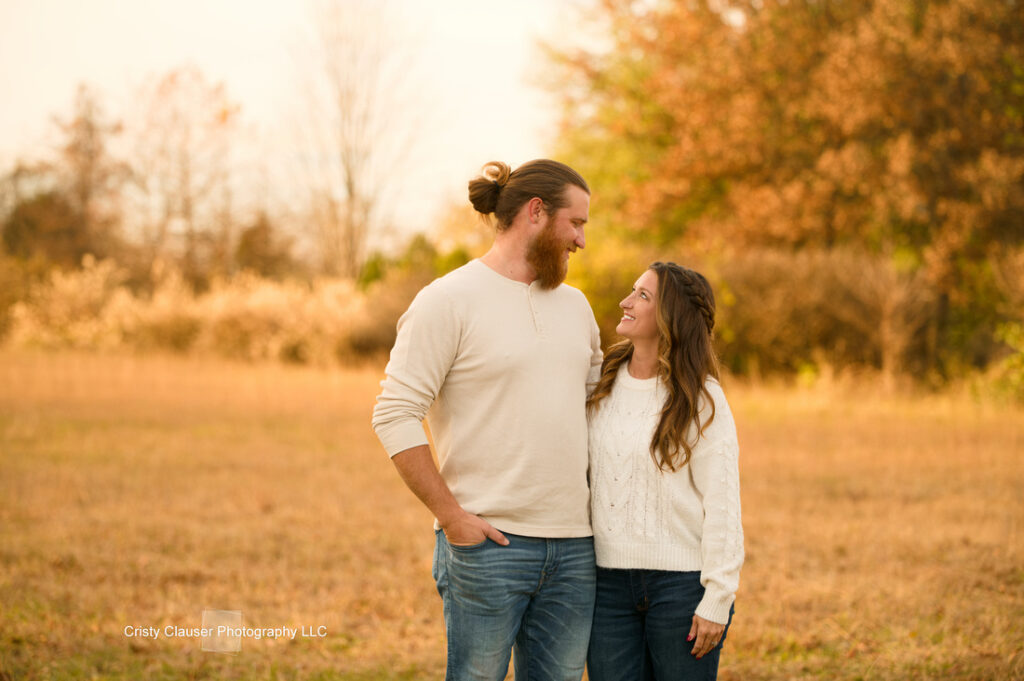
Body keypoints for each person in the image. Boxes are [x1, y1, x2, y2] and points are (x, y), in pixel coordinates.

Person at [371, 159, 603, 681]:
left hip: (574, 549)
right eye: (577, 223)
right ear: (537, 212)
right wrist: (452, 516)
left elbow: (599, 414)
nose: (582, 241)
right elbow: (394, 412)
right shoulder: (447, 301)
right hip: (489, 546)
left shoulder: (577, 307)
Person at [586, 262, 744, 681]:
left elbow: (723, 503)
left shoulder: (702, 398)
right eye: (632, 289)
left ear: (670, 315)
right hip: (606, 587)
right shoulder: (600, 381)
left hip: (681, 587)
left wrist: (717, 599)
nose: (626, 301)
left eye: (642, 295)